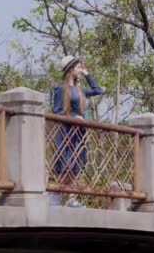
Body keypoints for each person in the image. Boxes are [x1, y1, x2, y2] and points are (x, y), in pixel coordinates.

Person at [49, 55, 103, 207]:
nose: (80, 70)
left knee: (75, 166)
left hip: (78, 134)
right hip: (66, 131)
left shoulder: (80, 90)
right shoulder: (61, 89)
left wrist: (87, 74)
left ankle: (71, 200)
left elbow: (98, 90)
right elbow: (57, 112)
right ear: (70, 69)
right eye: (78, 67)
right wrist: (74, 118)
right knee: (66, 165)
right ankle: (55, 195)